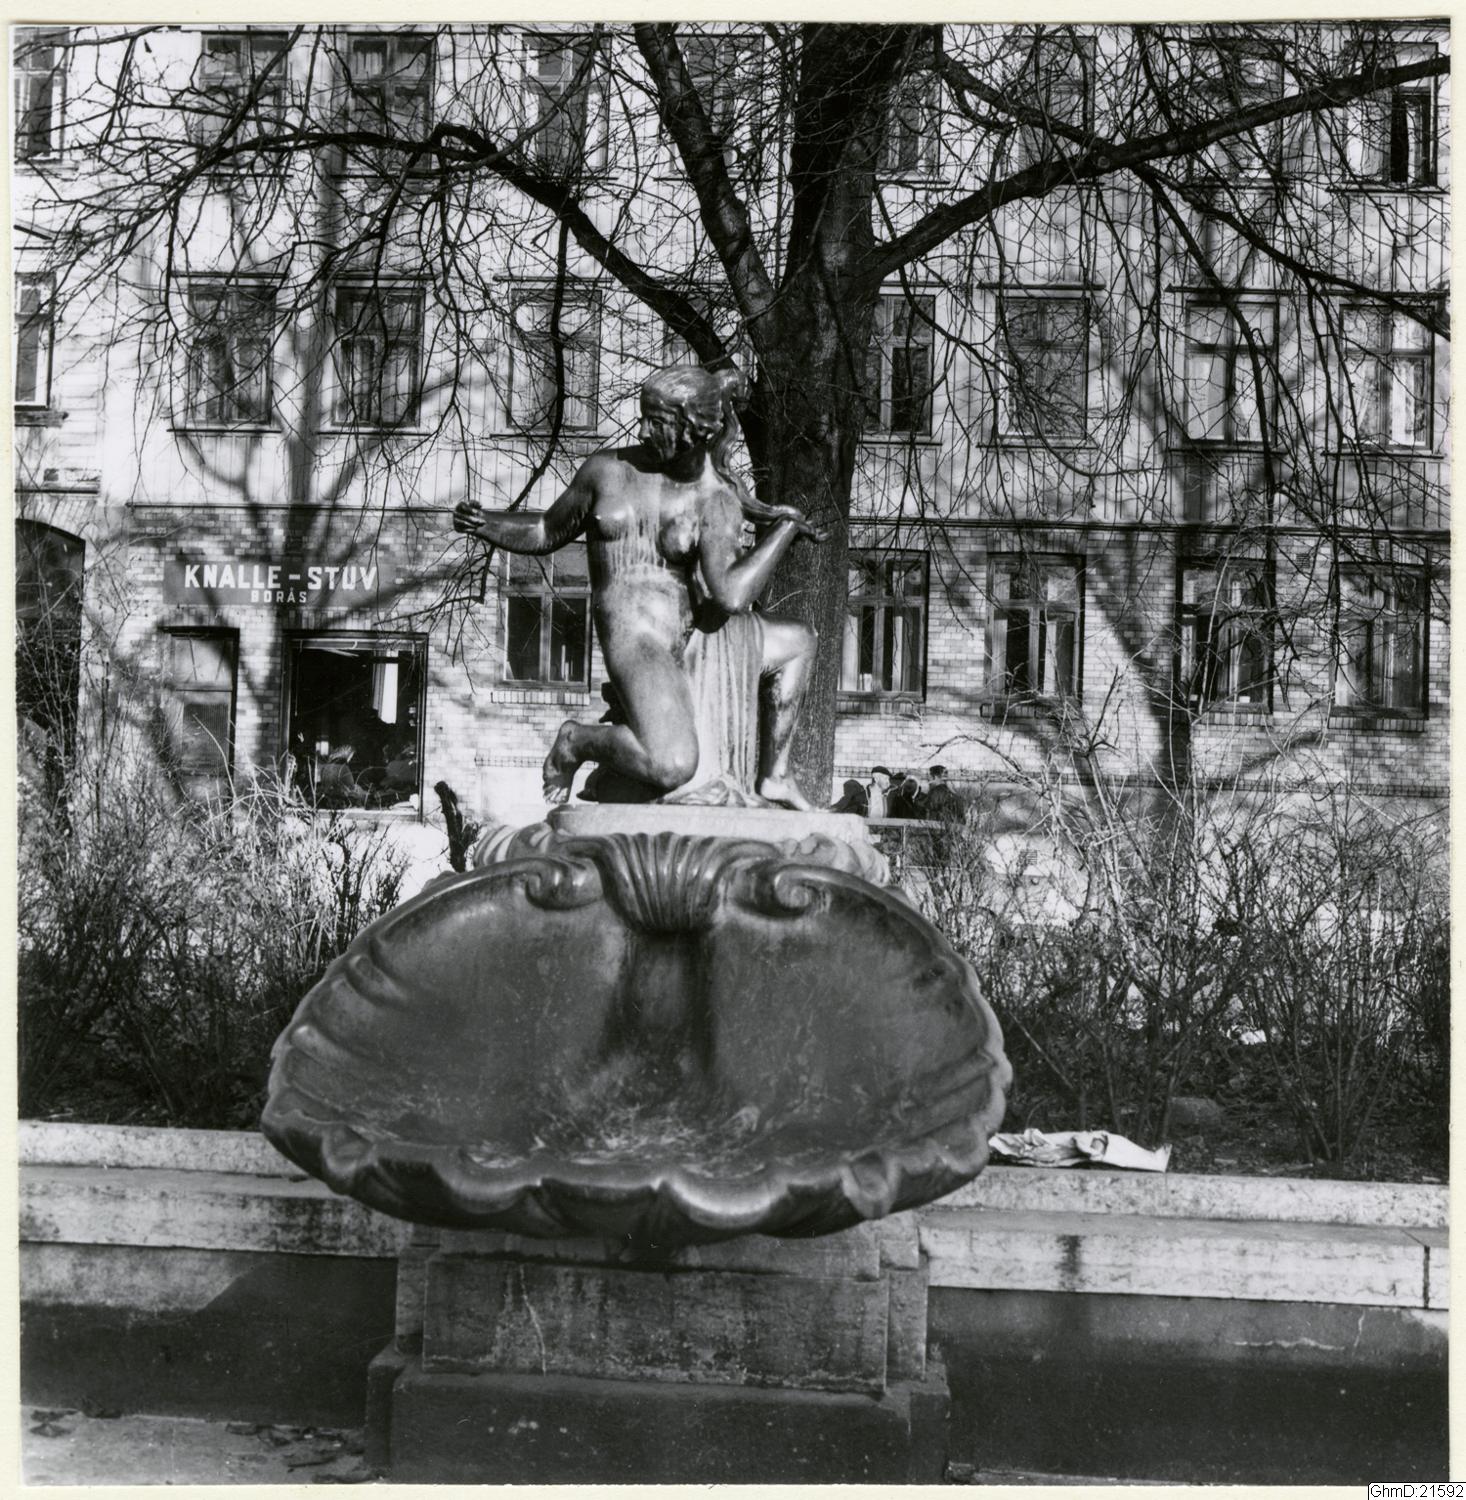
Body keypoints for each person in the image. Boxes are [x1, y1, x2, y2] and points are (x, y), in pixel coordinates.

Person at [454, 365, 826, 808]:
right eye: (644, 417)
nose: (644, 431)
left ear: (694, 430)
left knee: (799, 640)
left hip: (691, 635)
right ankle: (576, 741)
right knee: (672, 763)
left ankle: (775, 777)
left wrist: (783, 529)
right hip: (635, 636)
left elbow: (730, 594)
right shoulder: (607, 471)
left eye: (658, 422)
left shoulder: (714, 499)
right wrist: (485, 523)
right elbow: (546, 529)